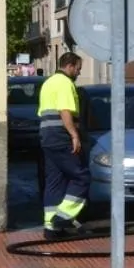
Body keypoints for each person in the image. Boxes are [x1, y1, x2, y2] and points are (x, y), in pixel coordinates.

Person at [37, 52, 90, 239]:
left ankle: (51, 228)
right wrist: (74, 135)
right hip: (61, 136)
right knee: (81, 177)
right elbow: (64, 111)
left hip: (47, 137)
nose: (79, 72)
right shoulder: (65, 83)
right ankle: (62, 217)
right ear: (70, 66)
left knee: (55, 181)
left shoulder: (48, 83)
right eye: (78, 68)